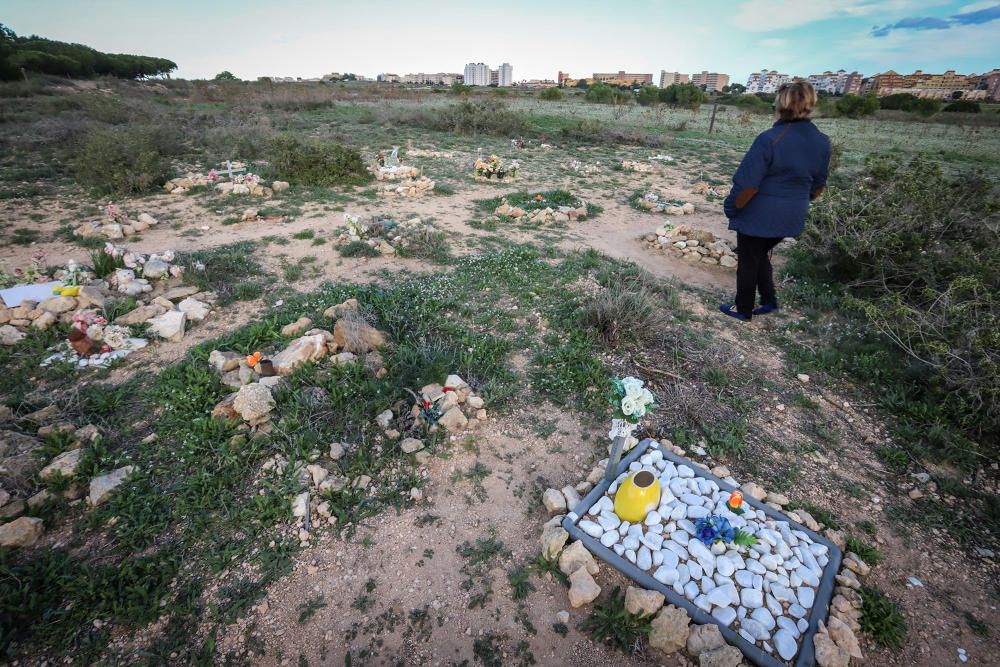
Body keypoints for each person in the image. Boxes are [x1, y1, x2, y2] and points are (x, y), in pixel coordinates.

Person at [719, 81, 831, 321]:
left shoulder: (770, 138)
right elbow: (819, 185)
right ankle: (769, 301)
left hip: (759, 214)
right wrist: (798, 201)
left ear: (780, 105)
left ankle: (743, 309)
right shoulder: (822, 141)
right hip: (794, 214)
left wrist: (732, 208)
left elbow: (748, 184)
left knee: (749, 259)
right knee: (760, 254)